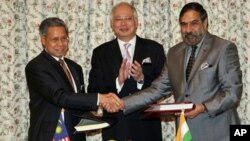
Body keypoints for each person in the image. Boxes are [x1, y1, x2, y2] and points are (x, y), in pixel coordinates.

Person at [123, 2, 242, 141]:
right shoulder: (174, 53)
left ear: (205, 22)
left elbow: (233, 93)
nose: (188, 29)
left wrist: (203, 107)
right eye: (183, 24)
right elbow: (157, 89)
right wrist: (122, 103)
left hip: (220, 133)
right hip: (186, 135)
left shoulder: (224, 48)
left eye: (194, 23)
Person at [25, 17, 124, 141]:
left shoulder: (75, 67)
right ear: (43, 40)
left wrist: (98, 111)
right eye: (55, 40)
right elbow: (60, 97)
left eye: (64, 38)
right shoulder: (36, 66)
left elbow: (78, 103)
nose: (61, 44)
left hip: (75, 135)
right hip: (51, 135)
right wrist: (100, 98)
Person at [87, 2, 166, 141]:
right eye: (118, 19)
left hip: (147, 128)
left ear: (136, 22)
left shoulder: (155, 49)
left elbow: (164, 86)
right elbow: (94, 90)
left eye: (128, 18)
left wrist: (142, 79)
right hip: (116, 127)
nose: (123, 23)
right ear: (112, 24)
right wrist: (118, 82)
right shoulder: (100, 53)